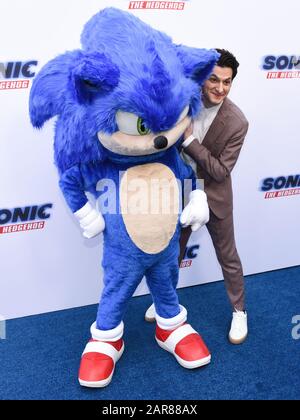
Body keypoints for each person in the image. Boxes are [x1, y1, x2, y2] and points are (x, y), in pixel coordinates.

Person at [145, 49, 249, 345]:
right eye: (214, 79)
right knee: (171, 255)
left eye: (226, 82)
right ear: (203, 79)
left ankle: (239, 311)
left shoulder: (237, 122)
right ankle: (165, 302)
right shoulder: (182, 103)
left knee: (228, 258)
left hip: (214, 197)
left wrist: (189, 140)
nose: (219, 88)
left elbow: (219, 171)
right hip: (179, 194)